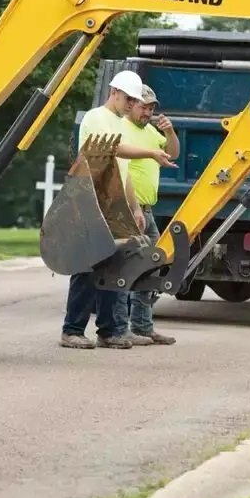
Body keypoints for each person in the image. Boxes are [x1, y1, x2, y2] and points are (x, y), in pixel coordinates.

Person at [59, 70, 176, 350]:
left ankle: (110, 331)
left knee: (115, 268)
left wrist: (133, 206)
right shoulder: (96, 117)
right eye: (128, 98)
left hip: (115, 204)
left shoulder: (120, 122)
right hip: (93, 200)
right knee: (87, 267)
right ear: (114, 92)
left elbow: (124, 173)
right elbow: (113, 150)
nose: (130, 103)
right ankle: (72, 329)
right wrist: (150, 153)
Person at [116, 84, 181, 345]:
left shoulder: (152, 132)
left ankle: (143, 326)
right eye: (144, 107)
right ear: (130, 104)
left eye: (152, 108)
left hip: (146, 211)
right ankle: (120, 328)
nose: (148, 112)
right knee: (125, 269)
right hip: (127, 209)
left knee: (153, 265)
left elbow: (173, 153)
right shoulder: (121, 128)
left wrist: (169, 131)